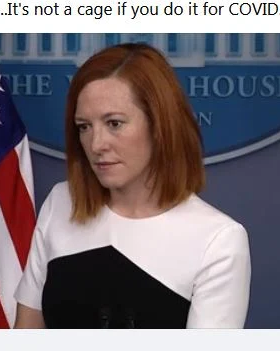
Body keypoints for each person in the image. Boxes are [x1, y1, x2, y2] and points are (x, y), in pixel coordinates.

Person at [14, 43, 251, 329]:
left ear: (160, 125)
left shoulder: (219, 240)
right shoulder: (61, 202)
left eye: (114, 123)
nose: (96, 144)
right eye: (84, 127)